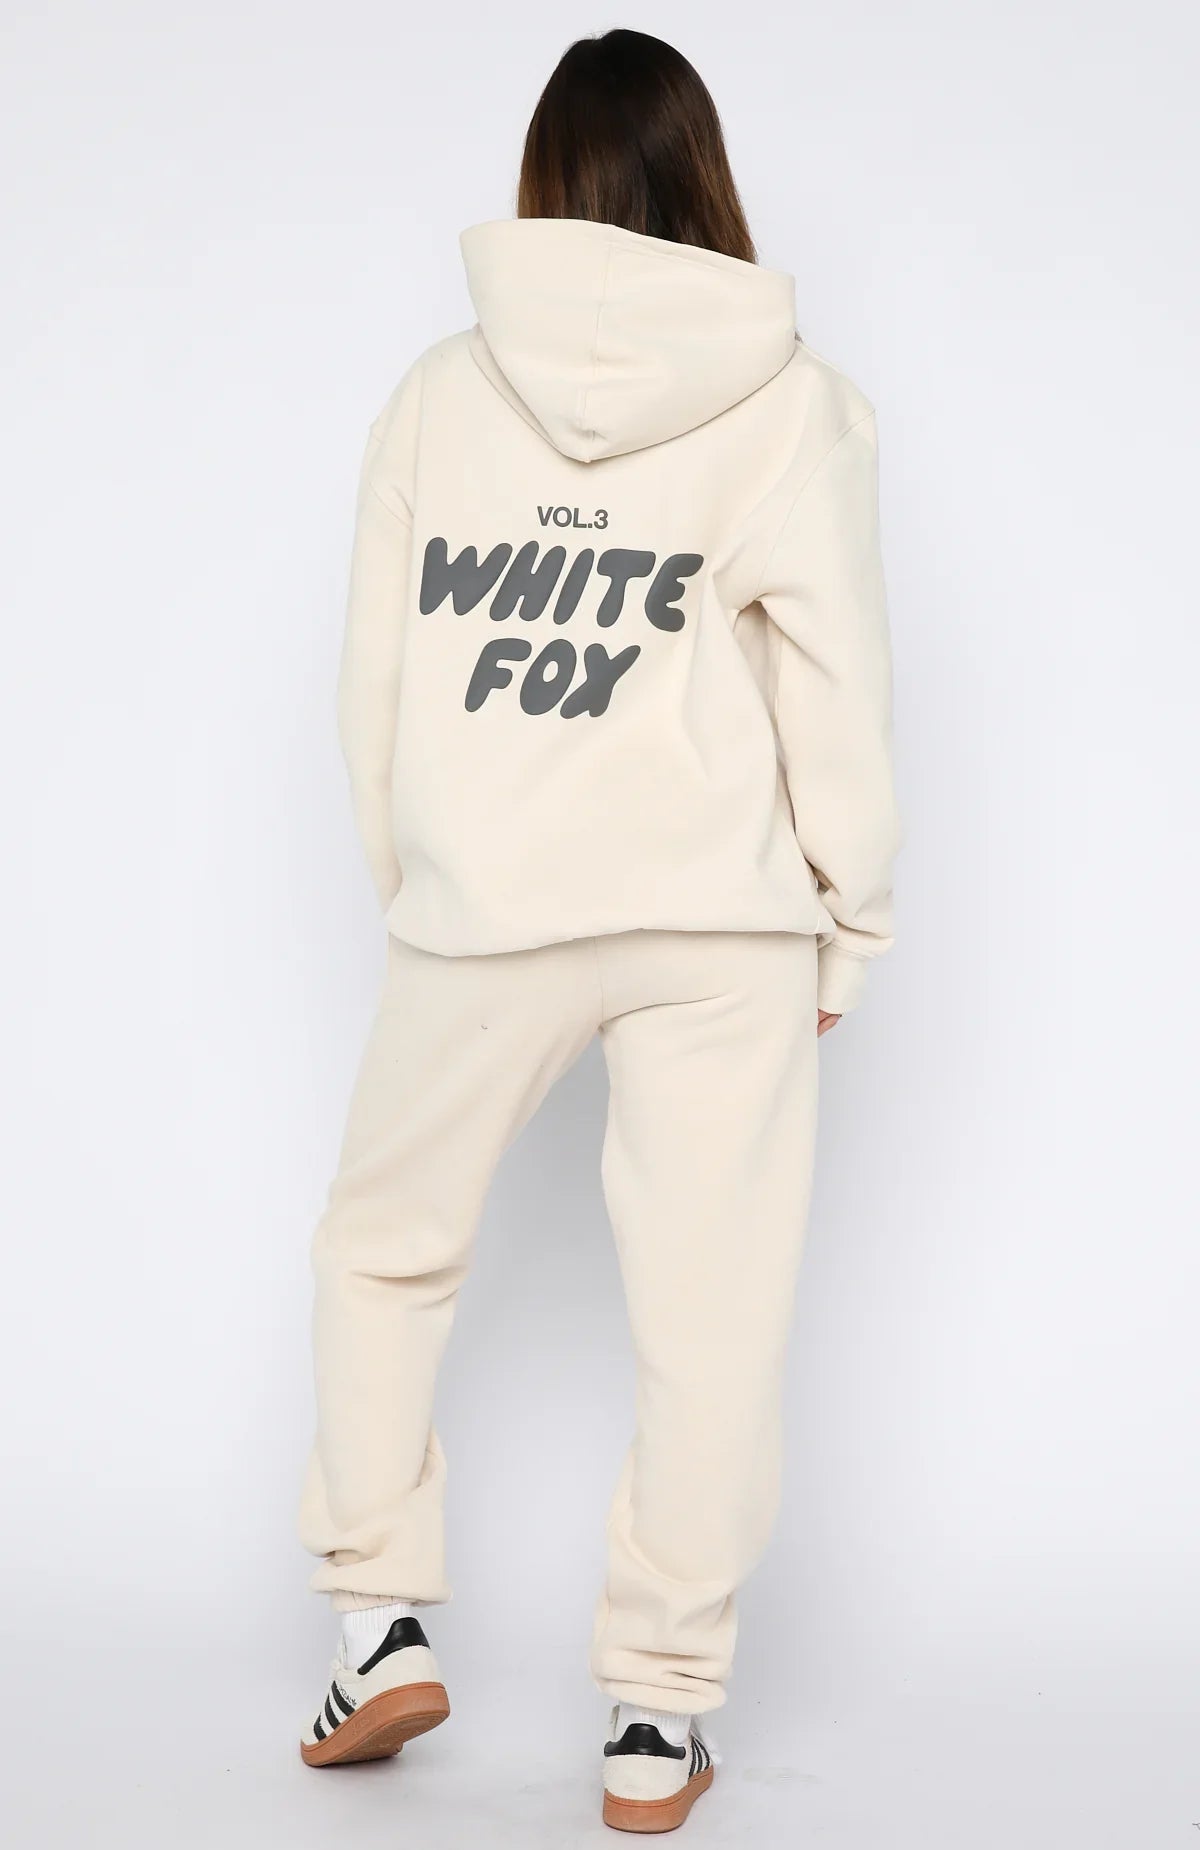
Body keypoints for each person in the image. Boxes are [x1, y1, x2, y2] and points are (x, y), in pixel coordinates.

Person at [297, 26, 898, 1834]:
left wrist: (426, 881)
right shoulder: (796, 402)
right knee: (713, 1317)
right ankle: (656, 1713)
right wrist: (846, 922)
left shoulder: (439, 396)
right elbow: (839, 690)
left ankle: (377, 1621)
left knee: (384, 1250)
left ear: (545, 182)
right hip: (720, 920)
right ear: (705, 176)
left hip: (487, 906)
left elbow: (375, 686)